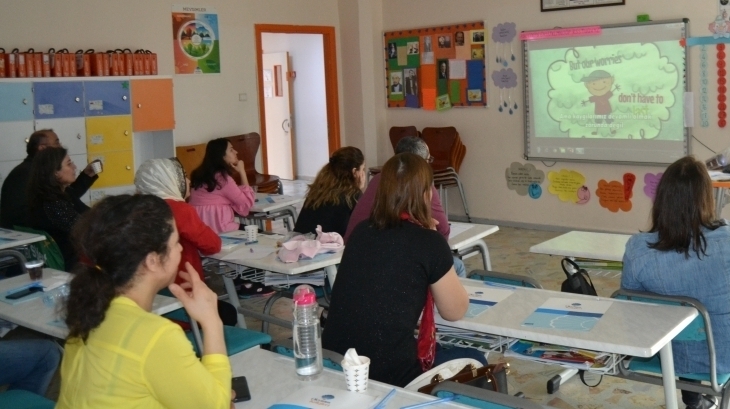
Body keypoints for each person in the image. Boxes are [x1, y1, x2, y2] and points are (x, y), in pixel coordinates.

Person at [56, 194, 233, 409]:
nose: (180, 249)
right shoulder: (157, 336)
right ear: (152, 261)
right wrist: (212, 321)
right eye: (176, 242)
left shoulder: (89, 309)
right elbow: (216, 406)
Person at [323, 153, 481, 388]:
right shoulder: (429, 242)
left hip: (336, 364)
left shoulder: (361, 232)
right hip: (388, 374)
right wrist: (431, 238)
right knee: (477, 361)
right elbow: (455, 310)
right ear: (427, 194)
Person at [621, 156, 729, 409]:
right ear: (707, 198)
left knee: (678, 321)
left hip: (665, 356)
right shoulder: (727, 242)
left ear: (661, 200)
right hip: (724, 357)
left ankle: (694, 398)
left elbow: (628, 310)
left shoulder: (638, 250)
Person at [135, 158, 238, 326]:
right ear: (169, 181)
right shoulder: (179, 209)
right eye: (183, 178)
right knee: (229, 313)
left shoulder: (137, 210)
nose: (188, 182)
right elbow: (212, 244)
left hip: (149, 300)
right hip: (182, 297)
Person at [344, 136, 467, 277]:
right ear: (422, 163)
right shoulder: (421, 184)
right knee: (457, 265)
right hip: (390, 261)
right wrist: (433, 238)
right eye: (428, 160)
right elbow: (443, 231)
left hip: (356, 257)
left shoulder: (378, 179)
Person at [1, 129, 99, 229]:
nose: (60, 146)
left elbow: (65, 197)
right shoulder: (25, 173)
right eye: (56, 143)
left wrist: (86, 176)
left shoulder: (40, 176)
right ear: (42, 148)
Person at [27, 147, 90, 271]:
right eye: (69, 164)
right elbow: (83, 228)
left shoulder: (62, 194)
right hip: (70, 263)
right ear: (55, 172)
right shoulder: (52, 203)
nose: (75, 167)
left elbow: (89, 215)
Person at [188, 138, 256, 234]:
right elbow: (245, 203)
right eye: (231, 150)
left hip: (199, 227)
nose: (236, 152)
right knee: (258, 232)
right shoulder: (222, 178)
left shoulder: (198, 174)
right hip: (219, 227)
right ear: (222, 155)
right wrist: (242, 171)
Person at [293, 146, 365, 237]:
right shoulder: (353, 195)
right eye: (362, 169)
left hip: (302, 244)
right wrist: (359, 190)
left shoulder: (318, 190)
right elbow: (358, 230)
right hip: (332, 248)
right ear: (355, 172)